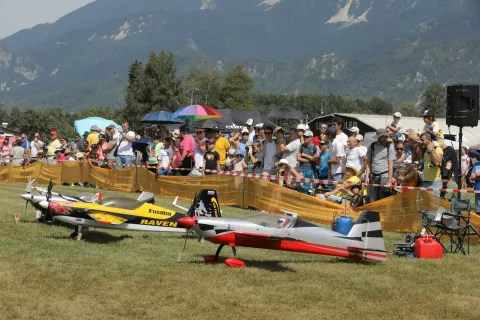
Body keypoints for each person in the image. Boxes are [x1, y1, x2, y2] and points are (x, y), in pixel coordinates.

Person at [365, 128, 396, 202]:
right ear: (378, 137)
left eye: (386, 136)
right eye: (383, 137)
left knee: (383, 198)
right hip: (373, 176)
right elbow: (368, 163)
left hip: (384, 175)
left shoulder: (390, 146)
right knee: (372, 199)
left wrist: (389, 180)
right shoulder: (372, 146)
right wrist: (367, 176)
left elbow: (391, 164)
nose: (385, 138)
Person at [420, 132, 443, 197]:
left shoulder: (438, 149)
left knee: (434, 205)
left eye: (423, 140)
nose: (421, 142)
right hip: (425, 181)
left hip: (434, 182)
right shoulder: (425, 150)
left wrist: (431, 150)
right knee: (426, 205)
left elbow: (437, 162)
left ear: (429, 140)